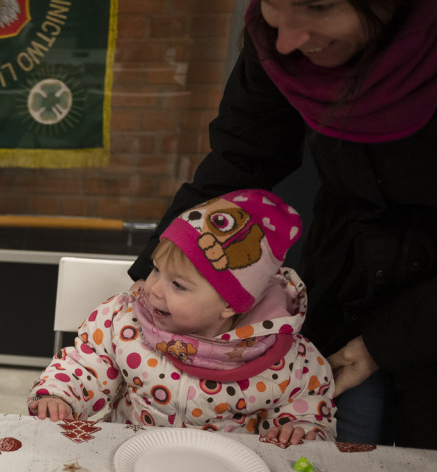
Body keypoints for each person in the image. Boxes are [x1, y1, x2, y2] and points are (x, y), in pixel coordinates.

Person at [128, 0, 437, 448]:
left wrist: (390, 339)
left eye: (320, 6)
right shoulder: (275, 44)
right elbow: (242, 157)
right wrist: (156, 271)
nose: (287, 40)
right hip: (342, 273)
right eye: (273, 4)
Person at [31, 189, 335, 445]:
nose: (153, 289)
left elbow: (307, 402)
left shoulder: (287, 359)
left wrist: (301, 428)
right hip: (130, 456)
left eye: (178, 285)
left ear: (230, 304)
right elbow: (87, 365)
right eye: (156, 269)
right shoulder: (123, 322)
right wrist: (60, 396)